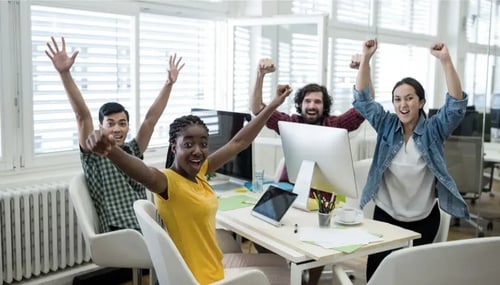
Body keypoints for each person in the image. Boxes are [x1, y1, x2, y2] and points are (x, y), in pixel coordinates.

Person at [85, 84, 293, 285]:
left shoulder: (200, 171)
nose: (197, 151)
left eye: (203, 144)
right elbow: (144, 173)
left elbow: (239, 143)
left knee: (280, 263)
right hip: (201, 278)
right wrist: (111, 150)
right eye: (188, 144)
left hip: (214, 264)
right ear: (174, 148)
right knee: (286, 276)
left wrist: (273, 105)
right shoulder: (167, 182)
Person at [353, 39, 470, 281]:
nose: (402, 104)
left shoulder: (434, 130)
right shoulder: (386, 124)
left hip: (423, 219)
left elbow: (456, 106)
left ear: (421, 102)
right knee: (378, 277)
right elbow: (363, 101)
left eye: (409, 98)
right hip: (385, 217)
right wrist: (366, 57)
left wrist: (446, 61)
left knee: (413, 278)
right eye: (397, 99)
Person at [250, 58, 371, 285]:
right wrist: (260, 75)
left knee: (318, 240)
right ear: (300, 104)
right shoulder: (290, 122)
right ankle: (282, 274)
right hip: (286, 188)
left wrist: (363, 68)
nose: (312, 105)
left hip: (322, 194)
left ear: (324, 106)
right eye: (308, 101)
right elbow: (257, 109)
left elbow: (364, 107)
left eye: (317, 101)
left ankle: (310, 282)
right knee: (258, 228)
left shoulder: (335, 124)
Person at [45, 36, 184, 232]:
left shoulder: (132, 150)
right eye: (110, 124)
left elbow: (151, 119)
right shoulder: (94, 153)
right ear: (101, 127)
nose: (117, 129)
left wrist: (168, 83)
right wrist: (65, 73)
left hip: (145, 222)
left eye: (122, 123)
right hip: (120, 229)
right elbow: (82, 115)